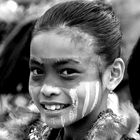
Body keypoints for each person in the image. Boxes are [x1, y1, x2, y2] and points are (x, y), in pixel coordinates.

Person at [0, 0, 140, 140]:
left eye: (67, 72)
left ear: (113, 75)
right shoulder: (25, 134)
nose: (47, 89)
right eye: (37, 71)